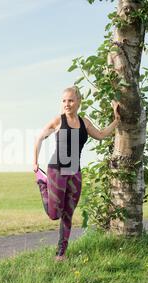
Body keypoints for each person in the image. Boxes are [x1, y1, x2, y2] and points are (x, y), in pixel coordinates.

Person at [33, 86, 121, 261]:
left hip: (75, 173)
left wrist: (117, 120)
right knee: (54, 215)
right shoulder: (58, 121)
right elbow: (40, 138)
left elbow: (102, 134)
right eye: (64, 101)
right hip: (56, 170)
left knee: (68, 214)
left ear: (79, 102)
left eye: (71, 100)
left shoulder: (84, 123)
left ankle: (61, 253)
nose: (67, 104)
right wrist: (35, 162)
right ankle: (43, 185)